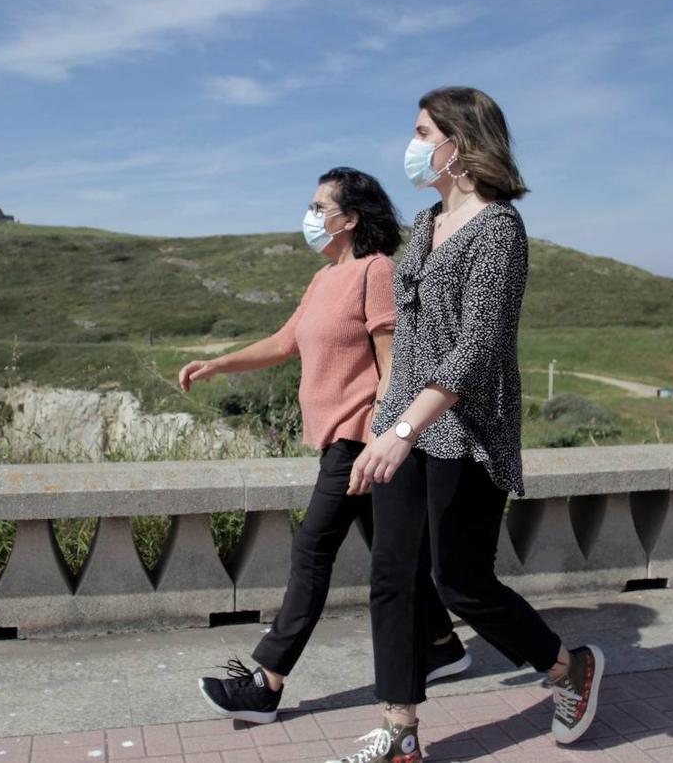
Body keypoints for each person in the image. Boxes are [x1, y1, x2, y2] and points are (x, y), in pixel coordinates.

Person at [328, 88, 604, 763]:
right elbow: (410, 339)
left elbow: (476, 346)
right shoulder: (424, 225)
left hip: (467, 427)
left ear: (461, 140)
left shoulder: (500, 230)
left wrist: (406, 429)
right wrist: (385, 424)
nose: (414, 144)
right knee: (393, 575)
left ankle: (571, 671)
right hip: (406, 423)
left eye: (423, 131)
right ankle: (399, 730)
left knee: (460, 581)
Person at [180, 167, 472, 725]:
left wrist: (382, 441)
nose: (311, 216)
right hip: (340, 442)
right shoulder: (324, 278)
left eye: (319, 207)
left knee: (311, 549)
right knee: (395, 558)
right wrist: (219, 363)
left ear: (350, 218)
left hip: (358, 438)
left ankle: (266, 683)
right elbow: (284, 341)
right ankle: (441, 645)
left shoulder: (376, 272)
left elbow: (395, 369)